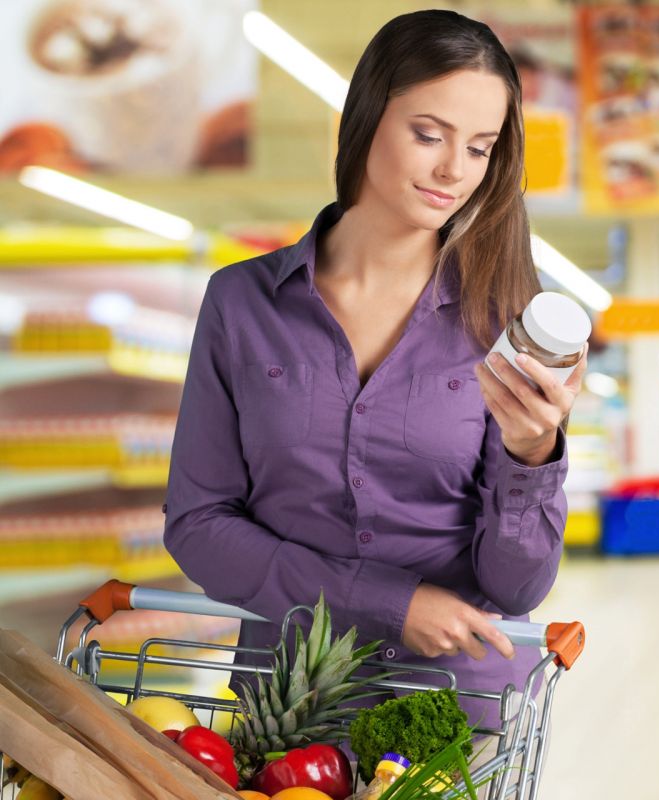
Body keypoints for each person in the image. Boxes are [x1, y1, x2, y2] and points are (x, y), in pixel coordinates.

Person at [163, 10, 584, 724]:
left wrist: (533, 452)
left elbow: (517, 590)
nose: (454, 170)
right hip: (287, 712)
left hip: (453, 714)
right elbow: (198, 523)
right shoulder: (242, 303)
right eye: (429, 134)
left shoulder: (501, 321)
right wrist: (387, 603)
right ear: (364, 118)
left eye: (480, 149)